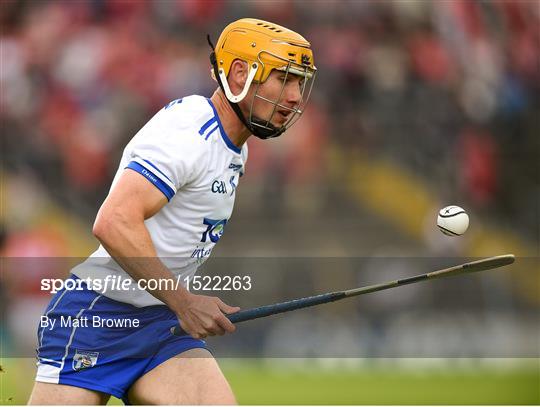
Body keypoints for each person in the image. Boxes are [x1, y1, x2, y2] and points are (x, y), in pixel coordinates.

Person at [29, 18, 316, 405]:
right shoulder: (188, 132)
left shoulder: (235, 147)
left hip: (159, 322)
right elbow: (113, 222)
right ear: (239, 75)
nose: (296, 96)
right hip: (97, 317)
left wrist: (179, 303)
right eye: (284, 79)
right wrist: (185, 302)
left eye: (300, 82)